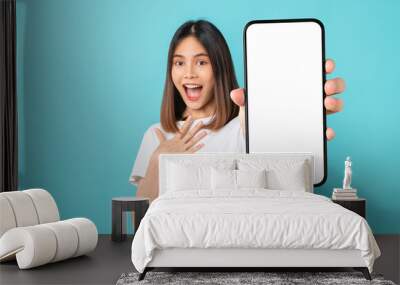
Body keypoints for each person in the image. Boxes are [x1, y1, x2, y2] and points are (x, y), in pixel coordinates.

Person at [129, 20, 345, 202]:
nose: (189, 74)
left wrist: (288, 124)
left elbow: (284, 191)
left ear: (219, 68)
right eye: (179, 63)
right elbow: (141, 222)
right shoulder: (156, 135)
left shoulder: (242, 128)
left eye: (201, 62)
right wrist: (160, 158)